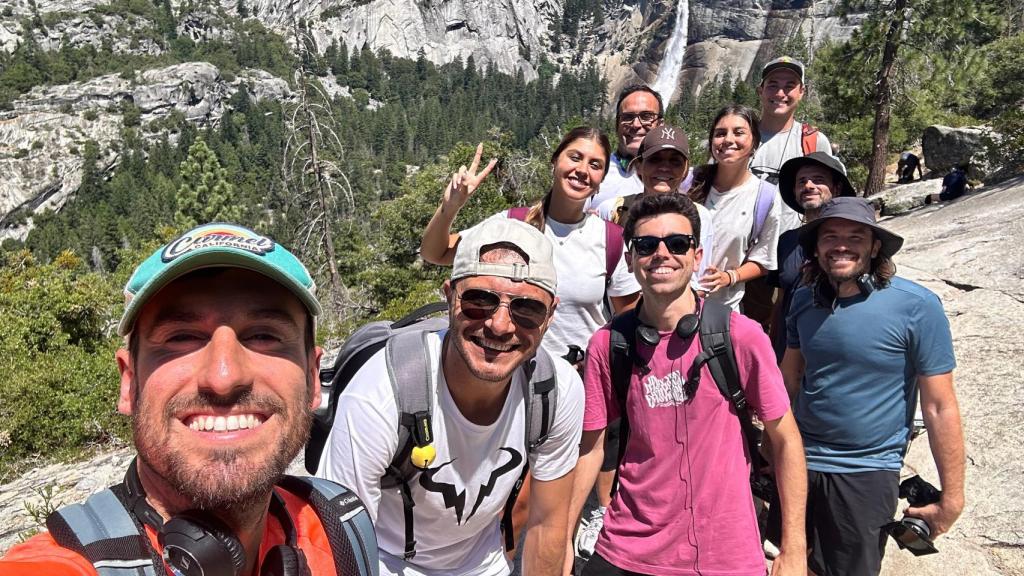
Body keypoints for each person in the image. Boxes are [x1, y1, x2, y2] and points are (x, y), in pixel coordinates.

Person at [0, 223, 376, 575]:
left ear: (312, 379)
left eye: (264, 335)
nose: (224, 377)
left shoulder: (338, 526)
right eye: (181, 337)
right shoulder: (63, 563)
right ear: (129, 383)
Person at [319, 218, 584, 576]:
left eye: (527, 309)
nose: (500, 326)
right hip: (383, 561)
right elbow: (339, 544)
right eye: (479, 301)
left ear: (549, 316)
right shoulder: (383, 391)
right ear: (449, 298)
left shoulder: (554, 390)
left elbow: (548, 525)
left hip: (482, 563)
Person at [566, 193, 807, 576]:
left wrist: (794, 549)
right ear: (630, 259)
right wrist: (564, 537)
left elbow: (785, 439)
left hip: (724, 552)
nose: (661, 253)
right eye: (646, 245)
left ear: (696, 257)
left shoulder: (739, 336)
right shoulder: (609, 344)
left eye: (677, 243)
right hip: (626, 548)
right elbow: (590, 448)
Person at [780, 197, 965, 575]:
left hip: (865, 470)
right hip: (798, 461)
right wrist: (773, 446)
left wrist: (953, 497)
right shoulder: (803, 300)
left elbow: (940, 406)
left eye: (855, 236)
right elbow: (789, 379)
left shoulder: (917, 307)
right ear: (816, 247)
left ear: (874, 245)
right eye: (830, 236)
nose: (841, 245)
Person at [420, 128, 640, 360]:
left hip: (581, 379)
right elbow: (436, 253)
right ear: (555, 161)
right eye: (575, 157)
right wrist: (450, 207)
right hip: (515, 372)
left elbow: (627, 318)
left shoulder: (611, 239)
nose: (583, 170)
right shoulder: (511, 224)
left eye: (595, 165)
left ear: (601, 180)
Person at [689, 105, 783, 320]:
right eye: (720, 133)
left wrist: (729, 277)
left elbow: (764, 260)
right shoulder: (689, 181)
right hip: (675, 304)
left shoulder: (765, 196)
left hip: (723, 312)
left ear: (755, 143)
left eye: (739, 132)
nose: (728, 140)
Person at [595, 124, 714, 294]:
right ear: (639, 166)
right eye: (655, 159)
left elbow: (699, 282)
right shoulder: (613, 210)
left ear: (686, 169)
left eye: (675, 161)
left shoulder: (700, 216)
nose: (665, 167)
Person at [766, 152, 856, 361]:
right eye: (801, 181)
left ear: (837, 188)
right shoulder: (786, 242)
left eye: (818, 180)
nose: (808, 185)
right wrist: (772, 347)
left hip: (837, 351)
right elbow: (780, 301)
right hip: (788, 352)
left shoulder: (854, 243)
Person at [750, 56, 836, 233]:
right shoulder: (738, 138)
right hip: (738, 248)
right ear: (760, 91)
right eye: (772, 85)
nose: (780, 93)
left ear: (801, 92)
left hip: (791, 246)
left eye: (789, 86)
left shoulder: (815, 142)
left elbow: (829, 199)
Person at [586, 85, 665, 210]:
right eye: (628, 117)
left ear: (660, 125)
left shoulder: (675, 175)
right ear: (617, 124)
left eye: (646, 116)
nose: (636, 124)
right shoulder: (594, 171)